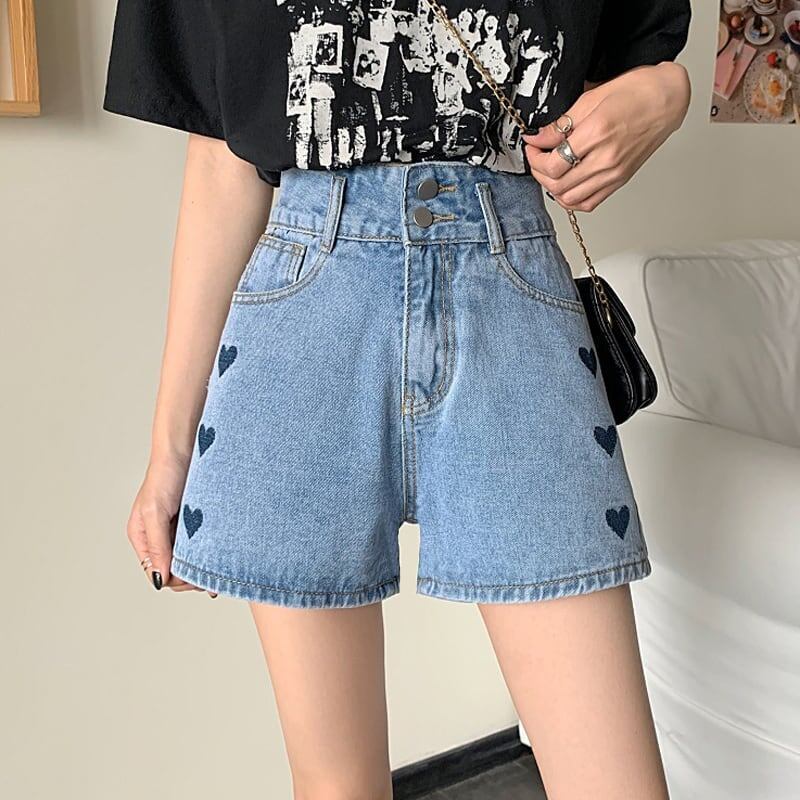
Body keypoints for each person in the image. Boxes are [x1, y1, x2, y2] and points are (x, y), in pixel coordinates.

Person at [104, 1, 692, 797]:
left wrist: (670, 90)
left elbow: (632, 58)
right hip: (306, 302)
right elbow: (219, 159)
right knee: (336, 785)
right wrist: (170, 452)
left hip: (509, 285)